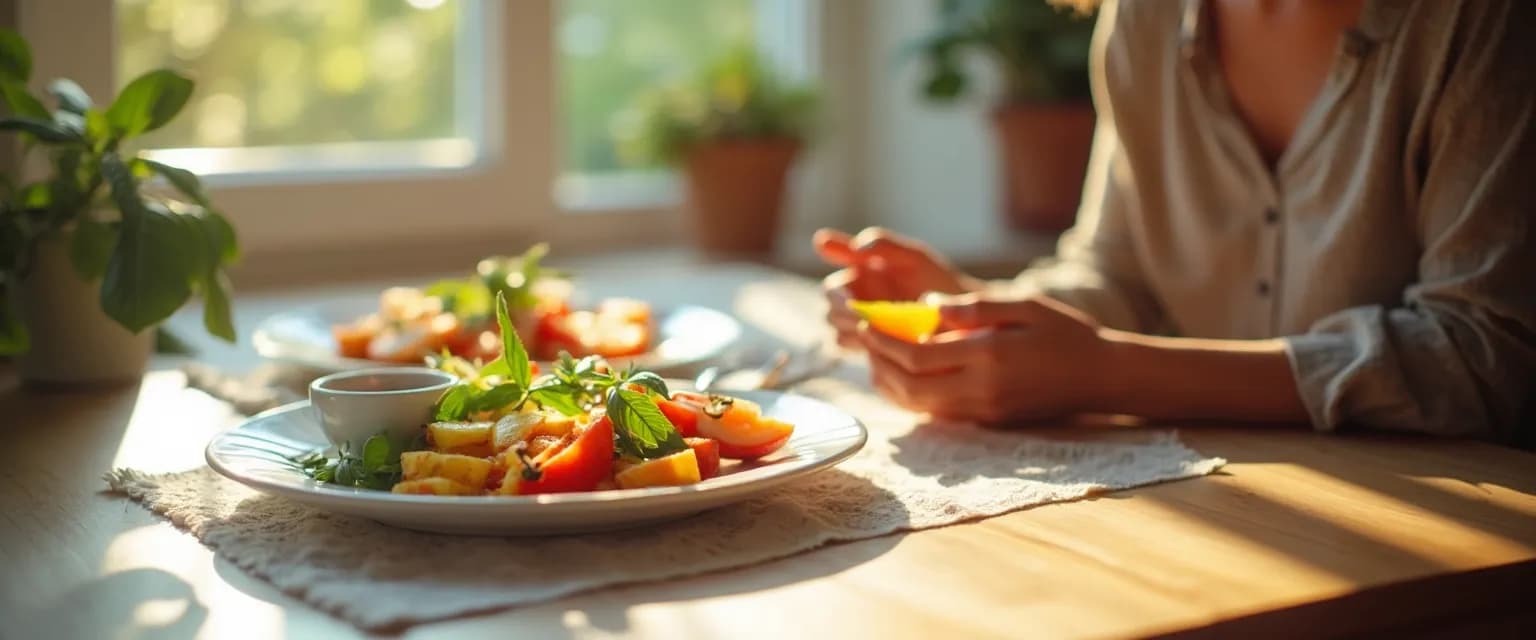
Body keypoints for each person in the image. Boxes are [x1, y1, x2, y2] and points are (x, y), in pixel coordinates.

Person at [817, 0, 1535, 446]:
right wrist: (972, 316)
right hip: (1225, 507)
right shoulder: (1144, 16)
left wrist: (1112, 375)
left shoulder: (1481, 21)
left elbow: (1480, 355)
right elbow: (1117, 272)